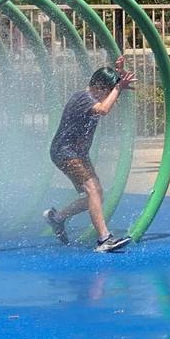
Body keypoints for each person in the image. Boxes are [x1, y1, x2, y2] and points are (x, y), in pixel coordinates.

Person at [43, 56, 136, 252]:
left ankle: (57, 218)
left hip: (77, 153)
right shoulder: (82, 98)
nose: (109, 95)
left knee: (97, 194)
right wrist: (118, 87)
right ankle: (104, 240)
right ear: (99, 87)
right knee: (92, 191)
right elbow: (103, 110)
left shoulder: (95, 95)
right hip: (65, 152)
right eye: (108, 91)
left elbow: (107, 103)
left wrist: (118, 77)